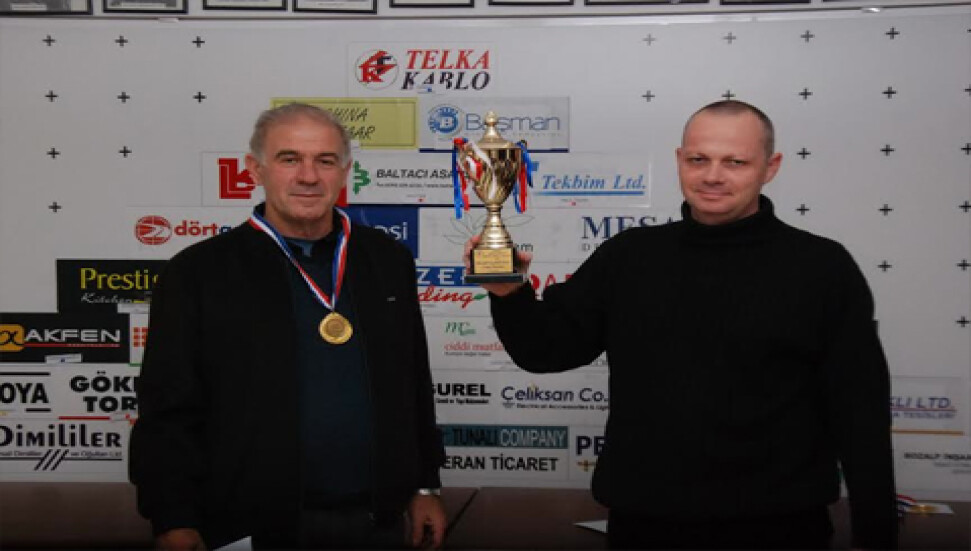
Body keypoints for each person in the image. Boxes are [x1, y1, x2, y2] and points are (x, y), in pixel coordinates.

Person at [468, 100, 897, 549]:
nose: (713, 175)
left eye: (735, 162)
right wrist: (509, 294)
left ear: (770, 168)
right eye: (698, 159)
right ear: (679, 160)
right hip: (645, 524)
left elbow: (860, 413)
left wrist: (876, 536)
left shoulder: (823, 267)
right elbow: (545, 351)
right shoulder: (629, 257)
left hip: (781, 526)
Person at [130, 103, 446, 551]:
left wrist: (425, 485)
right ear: (255, 168)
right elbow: (167, 410)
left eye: (325, 160)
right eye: (290, 159)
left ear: (345, 172)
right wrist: (172, 517)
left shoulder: (386, 259)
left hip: (379, 522)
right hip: (251, 524)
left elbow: (413, 383)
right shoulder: (198, 272)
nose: (308, 176)